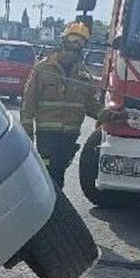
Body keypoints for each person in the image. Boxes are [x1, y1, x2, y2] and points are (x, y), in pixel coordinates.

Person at [20, 21, 104, 187]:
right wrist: (27, 131)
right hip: (47, 133)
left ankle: (56, 208)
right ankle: (47, 208)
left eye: (79, 41)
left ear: (83, 46)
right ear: (64, 40)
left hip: (70, 134)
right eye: (72, 38)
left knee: (59, 174)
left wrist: (108, 115)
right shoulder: (43, 68)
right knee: (46, 173)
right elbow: (28, 101)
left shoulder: (84, 74)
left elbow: (90, 104)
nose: (75, 44)